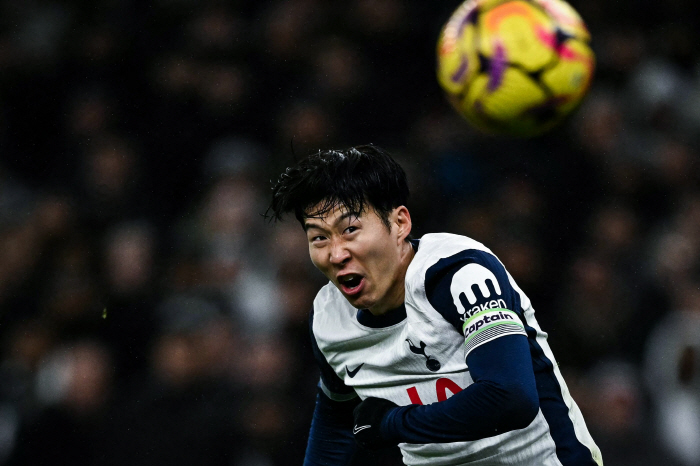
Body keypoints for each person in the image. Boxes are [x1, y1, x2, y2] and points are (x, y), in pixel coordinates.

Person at [267, 145, 603, 466]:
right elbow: (337, 416)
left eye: (350, 229)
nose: (336, 254)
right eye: (319, 238)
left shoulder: (459, 274)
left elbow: (511, 399)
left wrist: (393, 424)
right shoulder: (328, 319)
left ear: (400, 223)